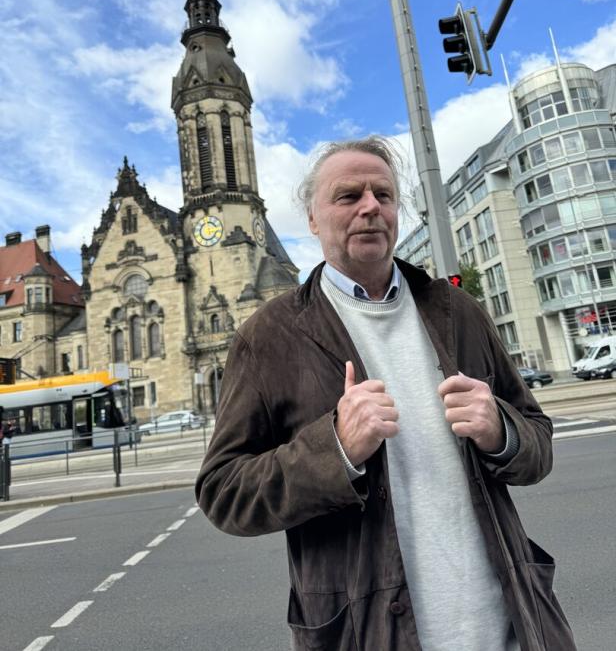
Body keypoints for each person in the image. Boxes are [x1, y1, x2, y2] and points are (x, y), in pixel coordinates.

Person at [196, 136, 576, 651]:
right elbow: (224, 492)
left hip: (508, 627)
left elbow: (539, 443)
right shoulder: (267, 337)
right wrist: (335, 451)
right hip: (364, 633)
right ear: (312, 219)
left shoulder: (457, 310)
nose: (371, 206)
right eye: (348, 196)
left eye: (384, 194)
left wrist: (502, 431)